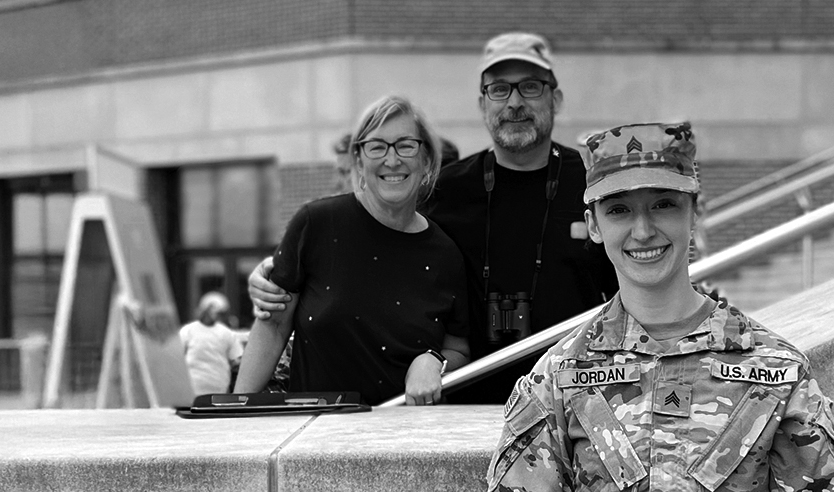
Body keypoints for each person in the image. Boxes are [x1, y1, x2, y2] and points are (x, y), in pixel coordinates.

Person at [472, 123, 834, 492]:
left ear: (696, 213)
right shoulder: (560, 375)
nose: (643, 230)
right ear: (594, 225)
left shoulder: (775, 369)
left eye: (663, 204)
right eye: (619, 210)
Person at [249, 32, 618, 404]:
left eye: (531, 87)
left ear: (556, 98)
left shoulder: (597, 183)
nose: (515, 102)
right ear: (483, 104)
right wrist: (272, 272)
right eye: (499, 89)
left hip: (573, 401)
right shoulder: (444, 190)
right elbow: (376, 239)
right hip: (465, 407)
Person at [233, 95, 470, 406]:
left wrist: (435, 360)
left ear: (426, 159)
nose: (392, 159)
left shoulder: (445, 253)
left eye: (406, 145)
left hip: (404, 431)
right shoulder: (316, 224)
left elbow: (459, 349)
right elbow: (273, 326)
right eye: (377, 147)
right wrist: (234, 413)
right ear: (358, 160)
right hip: (314, 428)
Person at [179, 291, 243, 396]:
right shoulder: (187, 331)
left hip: (219, 389)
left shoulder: (227, 334)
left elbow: (237, 361)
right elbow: (178, 357)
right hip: (193, 389)